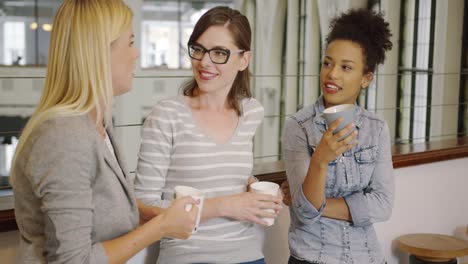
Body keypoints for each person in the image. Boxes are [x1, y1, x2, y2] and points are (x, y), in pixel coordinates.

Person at [10, 0, 198, 263]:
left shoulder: (98, 121)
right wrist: (162, 226)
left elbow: (95, 199)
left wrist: (141, 211)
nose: (137, 54)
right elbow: (74, 260)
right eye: (131, 42)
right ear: (99, 52)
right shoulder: (63, 137)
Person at [134, 6, 283, 264]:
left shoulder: (251, 112)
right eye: (199, 49)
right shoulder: (167, 114)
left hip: (247, 255)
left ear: (244, 60)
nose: (204, 62)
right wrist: (225, 205)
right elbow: (143, 206)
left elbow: (224, 171)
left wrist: (253, 189)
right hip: (187, 257)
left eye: (219, 53)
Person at [282, 9, 395, 264]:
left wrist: (318, 203)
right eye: (327, 63)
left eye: (346, 67)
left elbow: (383, 204)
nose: (332, 74)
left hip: (368, 257)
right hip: (312, 257)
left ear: (366, 78)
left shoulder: (376, 129)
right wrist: (320, 159)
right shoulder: (298, 127)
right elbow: (305, 214)